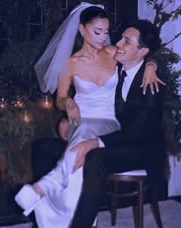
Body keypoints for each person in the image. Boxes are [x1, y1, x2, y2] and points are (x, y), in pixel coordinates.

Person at [15, 2, 163, 228]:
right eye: (97, 32)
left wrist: (152, 64)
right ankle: (76, 216)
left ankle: (46, 192)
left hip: (109, 124)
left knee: (85, 143)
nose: (104, 38)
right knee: (78, 133)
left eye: (106, 32)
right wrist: (69, 103)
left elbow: (141, 54)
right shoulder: (71, 63)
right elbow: (60, 98)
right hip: (81, 120)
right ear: (81, 29)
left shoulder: (114, 53)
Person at [69, 19, 167, 228]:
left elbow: (135, 133)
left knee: (93, 157)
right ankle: (53, 216)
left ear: (142, 52)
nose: (118, 44)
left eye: (126, 41)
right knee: (47, 149)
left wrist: (93, 142)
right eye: (121, 38)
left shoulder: (151, 85)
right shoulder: (116, 71)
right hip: (118, 142)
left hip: (142, 150)